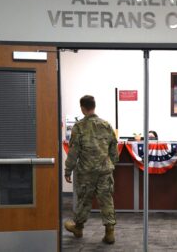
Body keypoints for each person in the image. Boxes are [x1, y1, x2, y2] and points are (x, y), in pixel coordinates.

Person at [64, 95, 119, 245]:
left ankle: (78, 228)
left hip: (86, 172)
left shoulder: (79, 127)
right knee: (106, 200)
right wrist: (111, 164)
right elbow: (114, 148)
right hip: (104, 171)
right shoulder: (106, 125)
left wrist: (68, 170)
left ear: (82, 108)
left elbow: (73, 152)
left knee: (84, 200)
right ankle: (109, 233)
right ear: (94, 106)